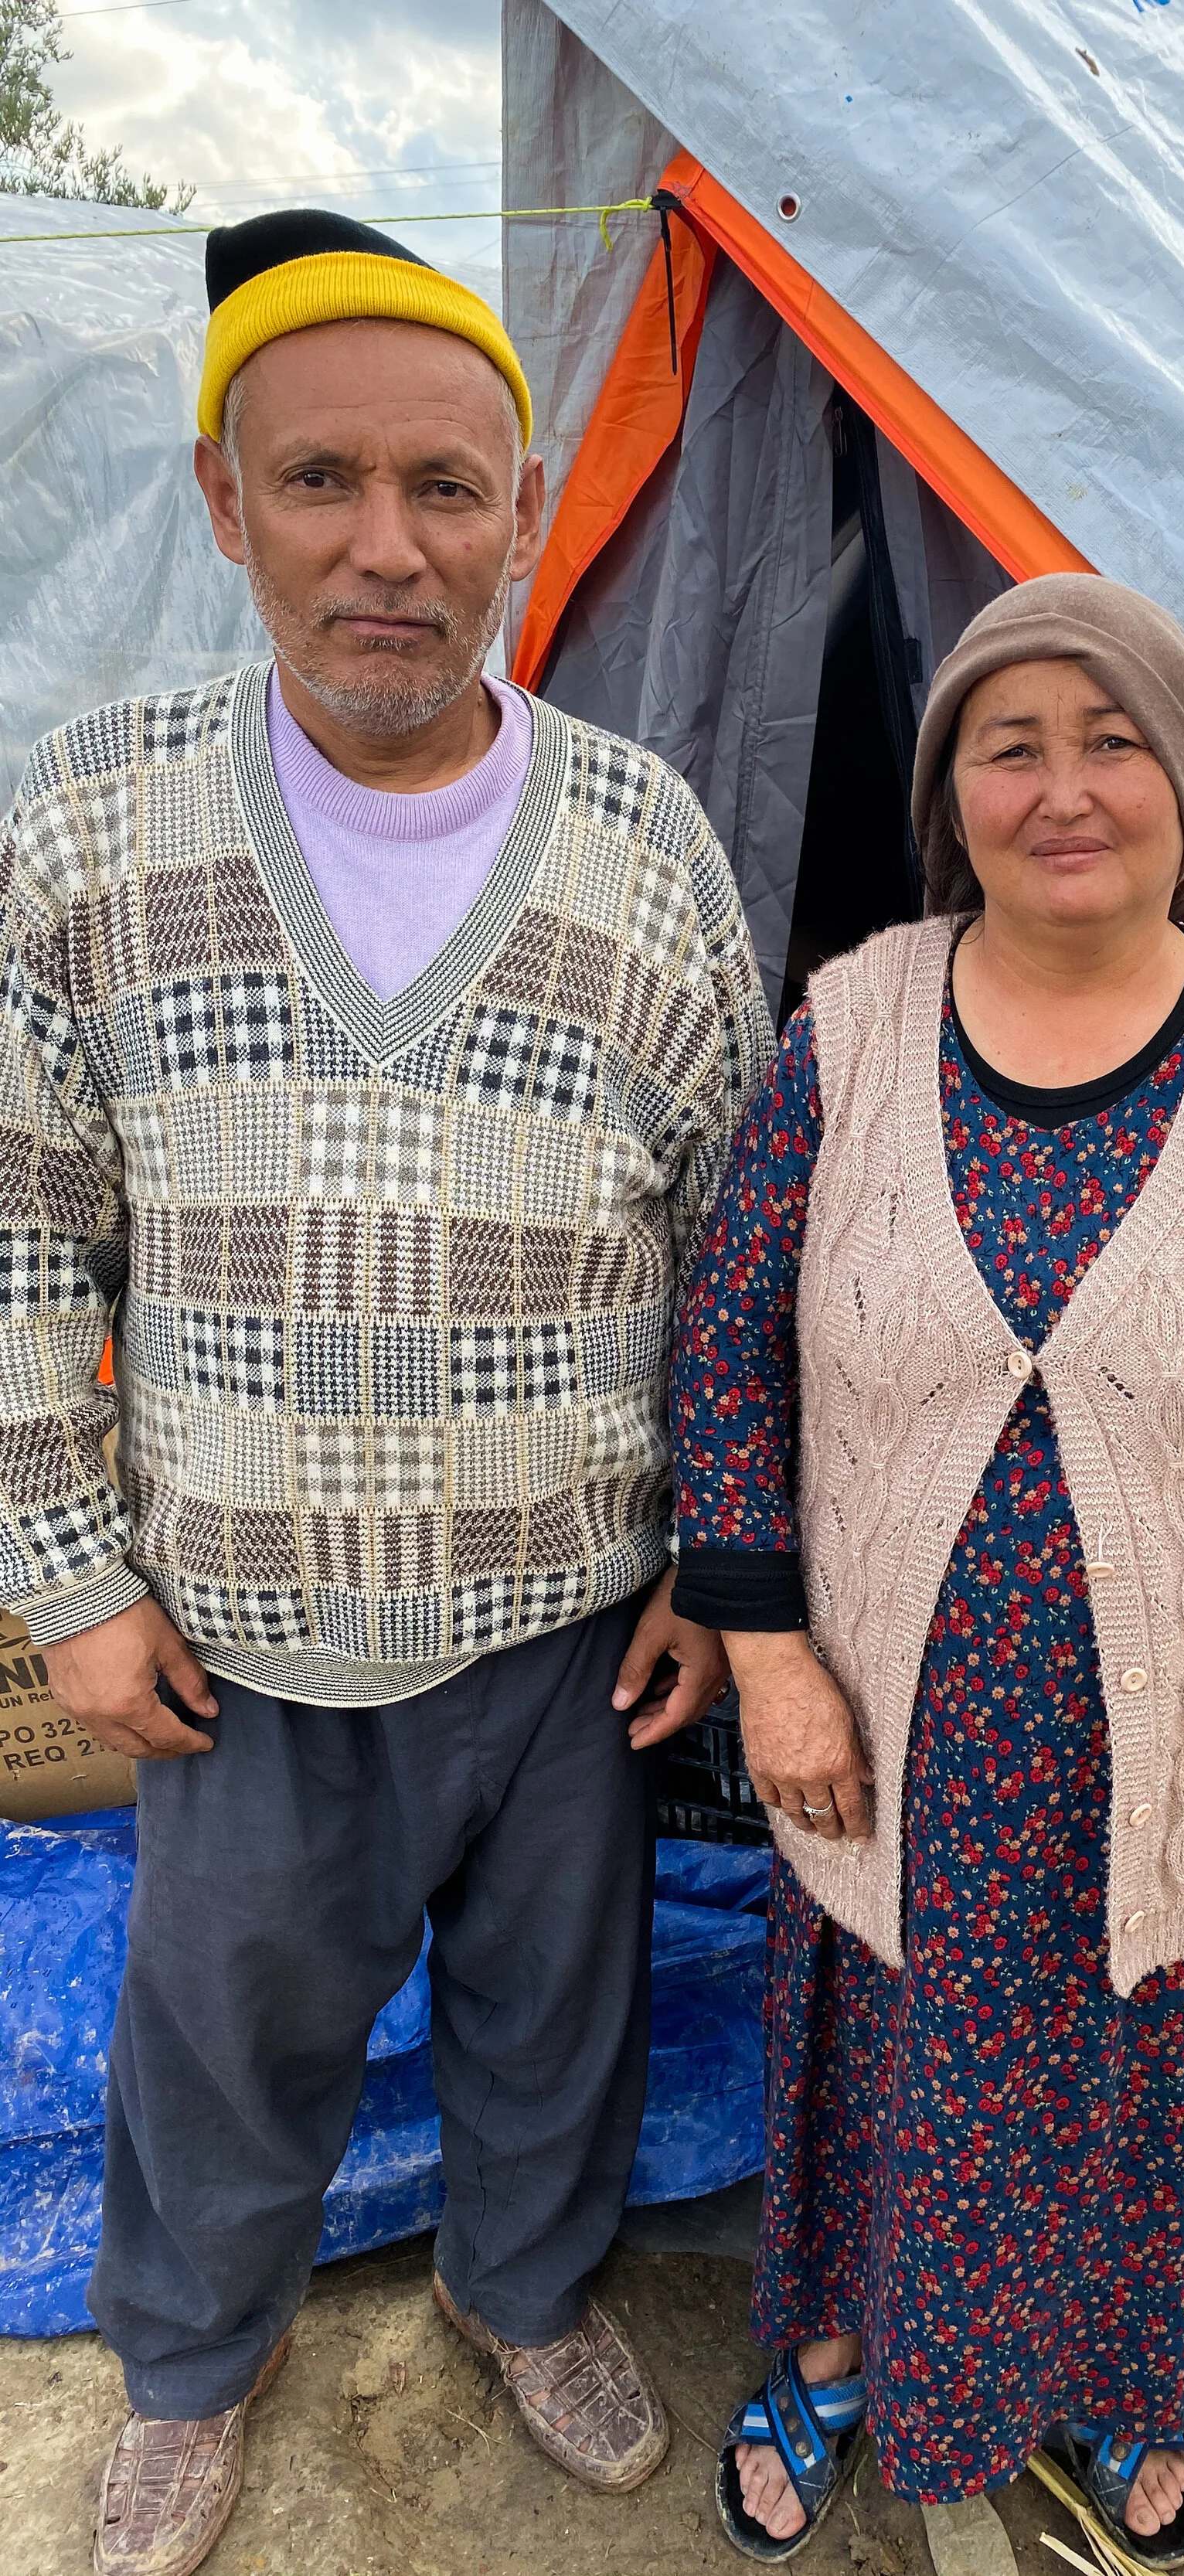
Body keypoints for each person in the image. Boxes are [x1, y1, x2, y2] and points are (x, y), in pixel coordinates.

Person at [0, 209, 771, 2576]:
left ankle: (525, 2287)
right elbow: (23, 1228)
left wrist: (705, 1569)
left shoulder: (640, 841)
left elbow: (737, 1237)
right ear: (225, 503)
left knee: (563, 2007)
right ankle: (192, 2369)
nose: (385, 547)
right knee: (222, 2039)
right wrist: (68, 1581)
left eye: (448, 489)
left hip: (566, 1620)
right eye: (319, 480)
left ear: (525, 516)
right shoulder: (91, 826)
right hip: (230, 1628)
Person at [670, 572, 1184, 2568]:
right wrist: (766, 1653)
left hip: (1172, 1723)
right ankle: (842, 2346)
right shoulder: (847, 1025)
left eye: (1110, 739)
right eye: (1008, 744)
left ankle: (1113, 2386)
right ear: (953, 789)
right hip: (884, 1725)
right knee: (884, 2056)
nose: (1062, 787)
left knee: (1134, 2062)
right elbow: (724, 1344)